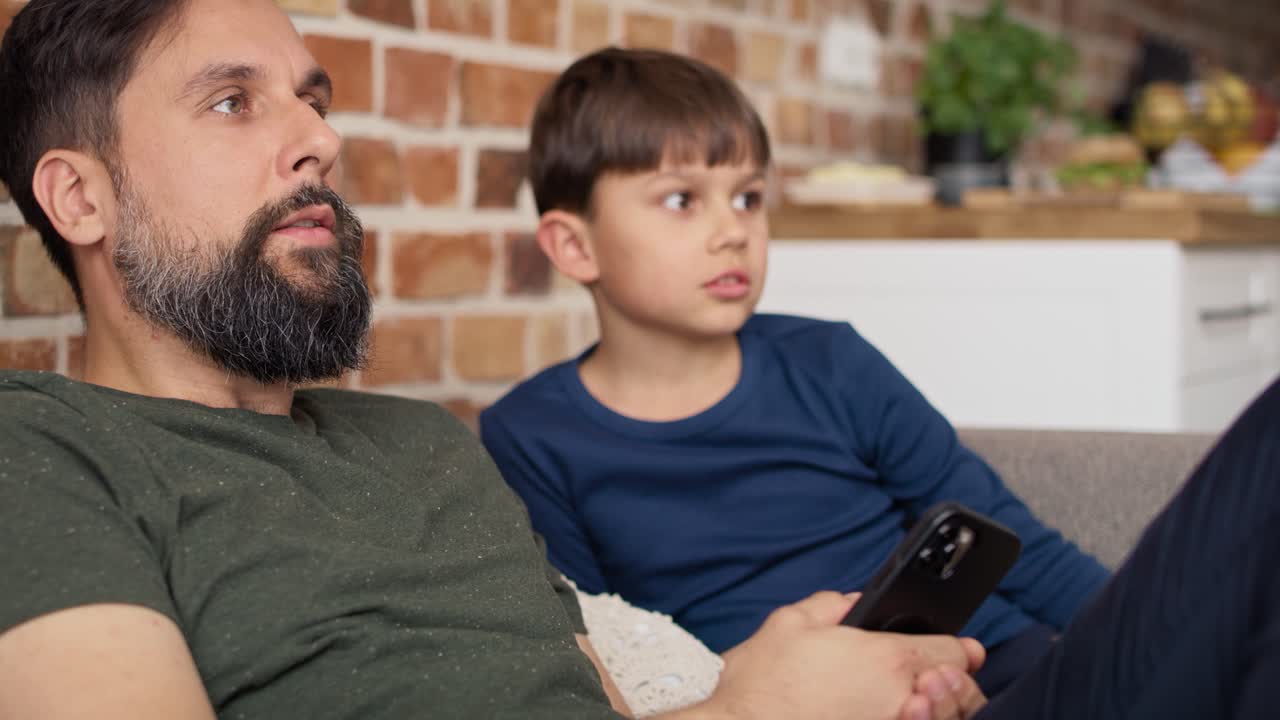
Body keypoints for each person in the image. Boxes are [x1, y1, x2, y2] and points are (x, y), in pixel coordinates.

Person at [0, 1, 987, 719]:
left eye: (311, 100)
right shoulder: (40, 454)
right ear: (80, 199)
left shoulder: (422, 443)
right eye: (231, 103)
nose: (318, 140)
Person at [479, 47, 1109, 697]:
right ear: (576, 247)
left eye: (749, 197)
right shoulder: (529, 437)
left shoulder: (832, 361)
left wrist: (1140, 634)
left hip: (999, 664)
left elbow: (1018, 547)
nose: (734, 230)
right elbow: (592, 651)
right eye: (680, 200)